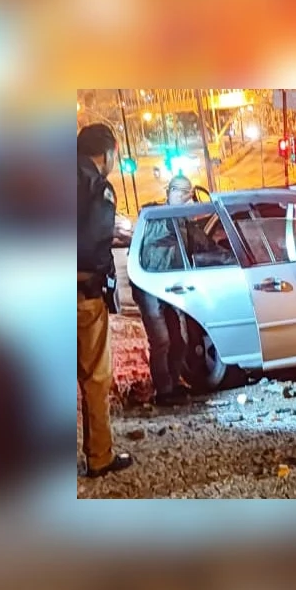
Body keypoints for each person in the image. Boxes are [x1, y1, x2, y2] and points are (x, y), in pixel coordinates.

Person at [77, 124, 134, 477]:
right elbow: (93, 244)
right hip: (80, 295)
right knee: (95, 376)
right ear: (108, 153)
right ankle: (99, 456)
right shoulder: (98, 188)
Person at [133, 175, 199, 405]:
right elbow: (157, 238)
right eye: (178, 192)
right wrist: (178, 215)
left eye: (186, 193)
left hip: (170, 286)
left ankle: (174, 382)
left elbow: (197, 245)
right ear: (169, 192)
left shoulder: (182, 220)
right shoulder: (155, 216)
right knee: (161, 340)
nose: (182, 196)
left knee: (179, 339)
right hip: (149, 284)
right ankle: (164, 390)